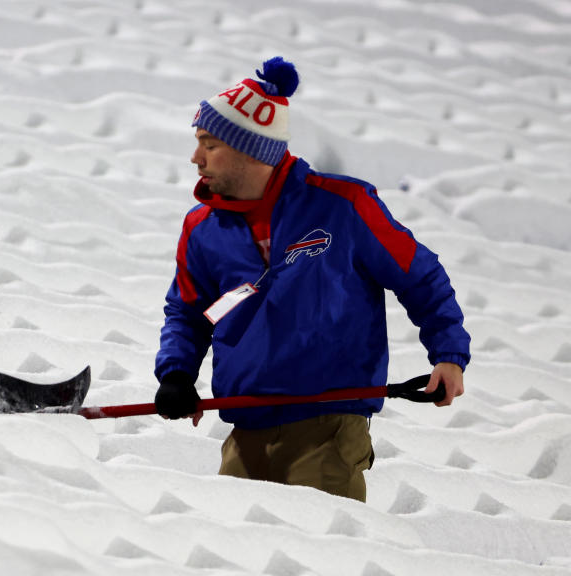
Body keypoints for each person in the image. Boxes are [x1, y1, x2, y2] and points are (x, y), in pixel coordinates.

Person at [153, 56, 470, 502]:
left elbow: (420, 276)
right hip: (246, 427)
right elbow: (189, 312)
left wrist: (449, 354)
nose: (195, 157)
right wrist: (177, 374)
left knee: (322, 554)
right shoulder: (202, 228)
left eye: (209, 143)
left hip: (329, 426)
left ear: (250, 148)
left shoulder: (343, 206)